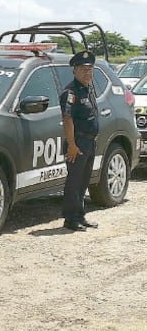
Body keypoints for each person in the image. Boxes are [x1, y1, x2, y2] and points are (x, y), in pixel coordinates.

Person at [60, 50, 100, 231]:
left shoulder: (89, 88)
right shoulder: (71, 92)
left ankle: (80, 215)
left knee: (84, 181)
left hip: (89, 143)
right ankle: (70, 219)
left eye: (90, 70)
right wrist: (72, 145)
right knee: (74, 182)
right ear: (74, 71)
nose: (87, 73)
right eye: (83, 70)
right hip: (77, 144)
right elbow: (67, 119)